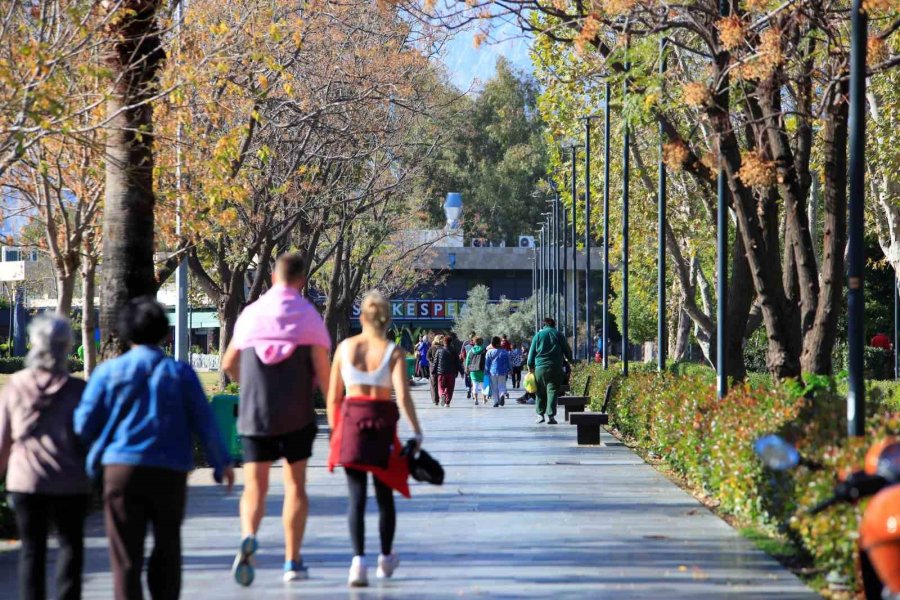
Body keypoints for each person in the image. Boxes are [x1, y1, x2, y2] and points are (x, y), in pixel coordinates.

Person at [75, 297, 234, 600]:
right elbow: (205, 422)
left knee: (125, 557)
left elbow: (83, 423)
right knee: (167, 548)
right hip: (169, 472)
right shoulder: (181, 373)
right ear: (163, 332)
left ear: (125, 332)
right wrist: (221, 462)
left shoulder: (108, 373)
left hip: (120, 471)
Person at [221, 252, 332, 585]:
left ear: (272, 278)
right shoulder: (309, 317)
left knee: (255, 486)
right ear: (302, 281)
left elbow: (228, 363)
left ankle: (249, 534)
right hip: (297, 415)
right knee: (295, 486)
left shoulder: (250, 315)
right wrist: (337, 415)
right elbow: (325, 374)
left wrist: (249, 386)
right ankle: (291, 561)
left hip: (255, 415)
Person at [326, 291, 423, 587]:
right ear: (386, 318)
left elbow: (333, 397)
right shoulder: (393, 352)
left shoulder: (345, 348)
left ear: (361, 317)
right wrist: (416, 431)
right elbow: (403, 395)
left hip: (352, 423)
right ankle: (384, 558)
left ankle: (358, 563)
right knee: (385, 496)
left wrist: (336, 432)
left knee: (355, 498)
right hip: (382, 425)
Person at [0, 316, 90, 600]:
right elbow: (89, 438)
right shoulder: (78, 389)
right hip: (71, 482)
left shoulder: (15, 385)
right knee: (70, 548)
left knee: (31, 550)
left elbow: (2, 440)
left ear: (34, 345)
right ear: (67, 347)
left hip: (26, 482)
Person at [527, 317, 573, 425]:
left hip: (540, 368)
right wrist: (571, 360)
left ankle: (540, 414)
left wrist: (530, 365)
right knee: (552, 391)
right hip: (555, 367)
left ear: (544, 325)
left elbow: (531, 353)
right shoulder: (558, 334)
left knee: (540, 391)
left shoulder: (538, 335)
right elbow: (567, 350)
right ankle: (551, 416)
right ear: (554, 325)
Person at [484, 336, 511, 408]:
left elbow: (487, 363)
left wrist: (486, 372)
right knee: (502, 385)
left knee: (494, 387)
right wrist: (510, 370)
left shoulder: (489, 352)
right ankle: (502, 394)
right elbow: (508, 362)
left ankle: (496, 402)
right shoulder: (505, 352)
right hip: (502, 371)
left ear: (492, 344)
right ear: (499, 343)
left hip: (492, 372)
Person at [432, 337, 456, 406]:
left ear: (443, 342)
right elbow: (457, 362)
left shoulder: (439, 350)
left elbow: (435, 361)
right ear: (451, 342)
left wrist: (433, 371)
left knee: (441, 387)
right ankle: (447, 403)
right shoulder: (453, 350)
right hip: (451, 373)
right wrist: (461, 371)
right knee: (450, 388)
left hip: (441, 373)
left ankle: (442, 394)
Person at [465, 337, 487, 405]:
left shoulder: (471, 350)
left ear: (474, 342)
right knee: (483, 386)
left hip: (473, 370)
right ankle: (484, 400)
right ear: (482, 342)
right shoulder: (484, 350)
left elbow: (467, 361)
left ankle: (476, 400)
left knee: (475, 385)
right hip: (482, 370)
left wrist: (467, 369)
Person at [426, 334, 443, 406]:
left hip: (433, 368)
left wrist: (432, 362)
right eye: (442, 339)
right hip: (441, 367)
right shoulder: (443, 348)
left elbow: (427, 357)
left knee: (434, 384)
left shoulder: (432, 348)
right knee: (441, 383)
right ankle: (442, 396)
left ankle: (436, 400)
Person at [460, 332, 476, 399]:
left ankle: (468, 389)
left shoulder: (465, 345)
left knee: (467, 377)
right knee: (474, 378)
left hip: (467, 364)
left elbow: (462, 355)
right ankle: (473, 391)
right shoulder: (477, 345)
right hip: (475, 364)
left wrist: (462, 362)